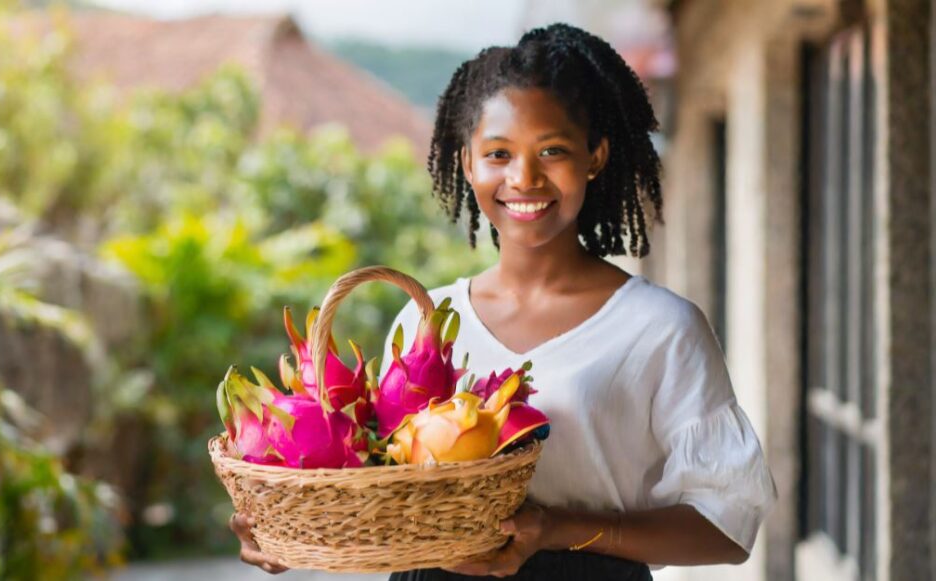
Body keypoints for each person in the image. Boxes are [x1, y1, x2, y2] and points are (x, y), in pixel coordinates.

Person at [230, 22, 776, 580]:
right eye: (498, 153)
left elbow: (728, 527)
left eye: (553, 150)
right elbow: (379, 482)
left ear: (595, 156)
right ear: (468, 164)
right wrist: (292, 531)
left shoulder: (660, 328)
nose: (524, 177)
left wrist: (557, 528)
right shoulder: (427, 323)